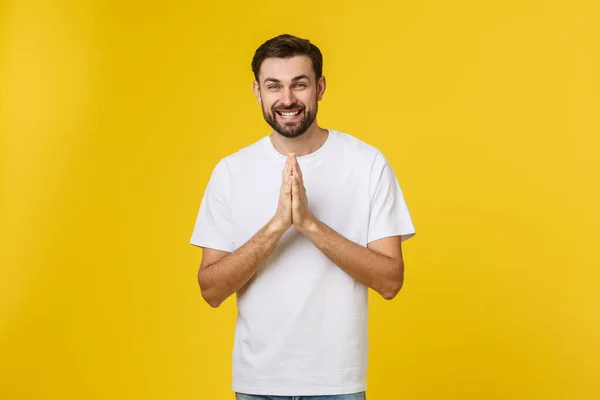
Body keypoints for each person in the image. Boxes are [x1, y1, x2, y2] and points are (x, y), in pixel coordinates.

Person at [190, 34, 416, 400]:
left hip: (338, 386)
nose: (288, 99)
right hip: (257, 385)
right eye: (274, 86)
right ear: (257, 91)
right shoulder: (231, 172)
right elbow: (211, 290)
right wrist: (278, 226)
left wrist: (310, 225)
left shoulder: (367, 164)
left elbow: (391, 281)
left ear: (320, 87)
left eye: (300, 84)